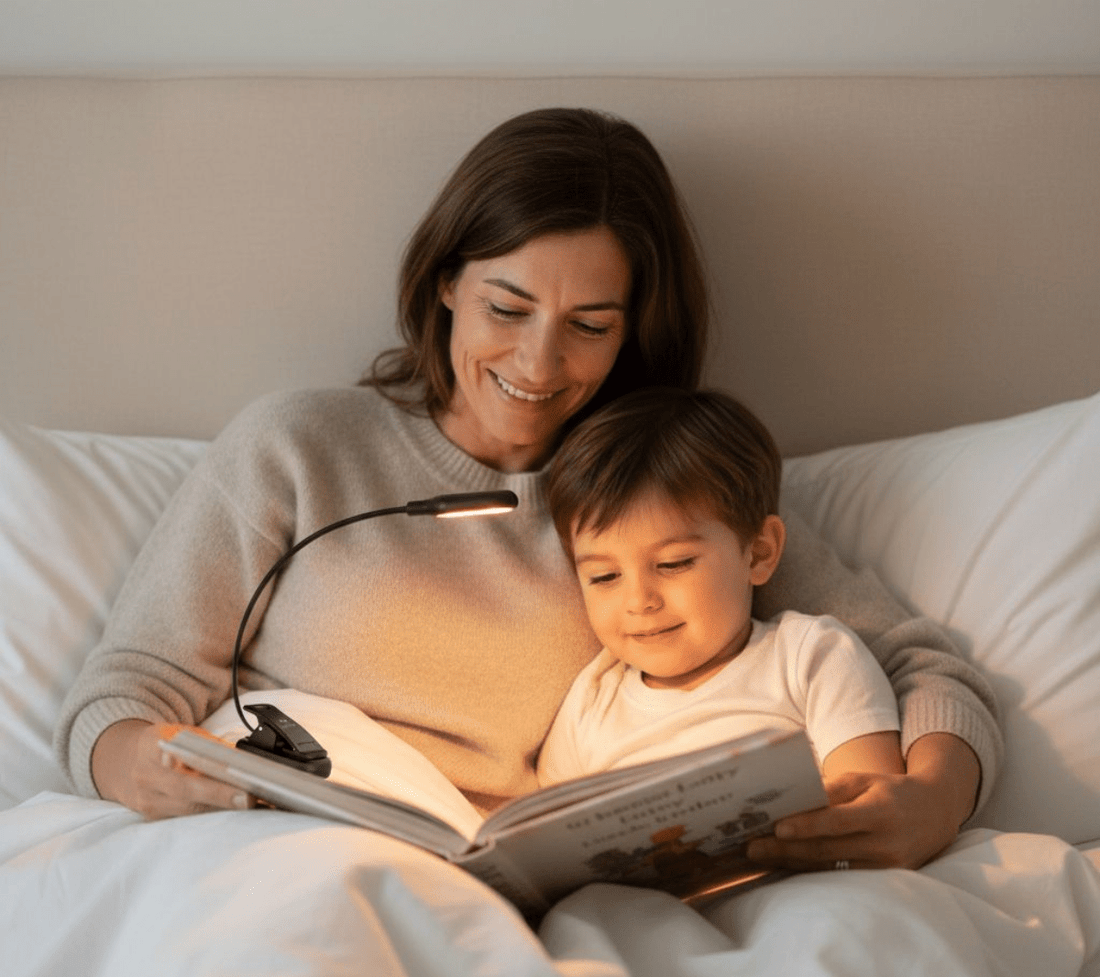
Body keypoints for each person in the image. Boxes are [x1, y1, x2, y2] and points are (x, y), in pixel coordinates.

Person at [54, 106, 1000, 871]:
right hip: (280, 850)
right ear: (444, 285)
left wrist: (934, 798)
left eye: (590, 325)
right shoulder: (297, 446)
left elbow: (918, 666)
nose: (539, 363)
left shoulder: (652, 489)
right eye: (508, 308)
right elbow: (125, 691)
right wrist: (144, 767)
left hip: (499, 887)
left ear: (633, 330)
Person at [538, 388, 904, 800]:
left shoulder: (811, 659)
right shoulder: (590, 705)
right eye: (605, 576)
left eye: (673, 564)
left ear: (759, 553)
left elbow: (873, 810)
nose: (639, 600)